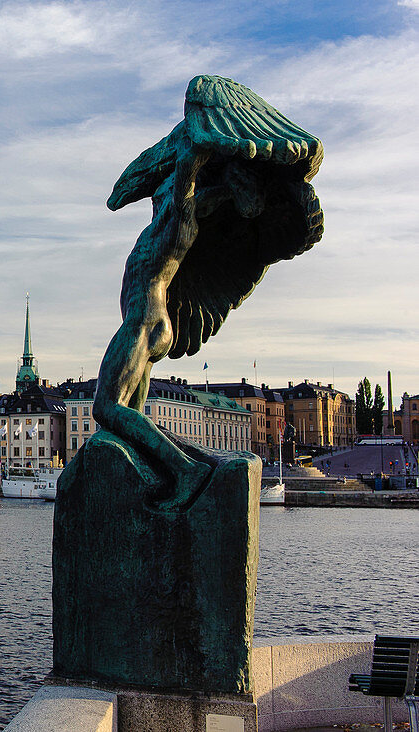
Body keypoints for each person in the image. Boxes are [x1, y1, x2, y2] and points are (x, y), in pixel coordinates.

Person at [93, 75, 322, 512]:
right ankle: (201, 466)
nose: (160, 198)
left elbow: (184, 174)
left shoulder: (178, 222)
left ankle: (186, 471)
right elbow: (129, 190)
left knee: (106, 408)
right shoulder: (183, 225)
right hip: (155, 319)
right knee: (132, 420)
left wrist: (196, 142)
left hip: (145, 319)